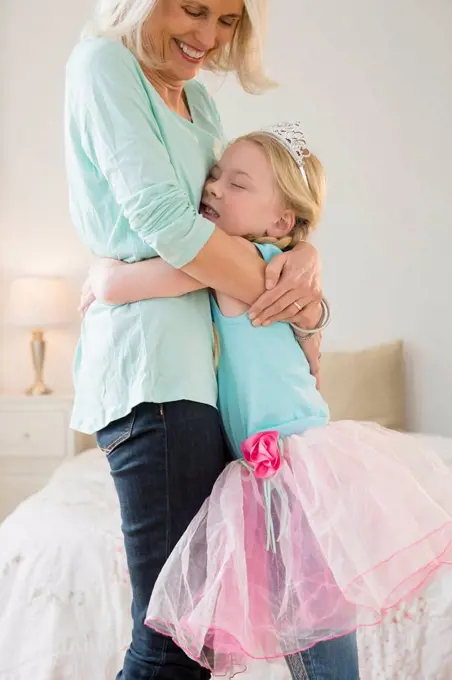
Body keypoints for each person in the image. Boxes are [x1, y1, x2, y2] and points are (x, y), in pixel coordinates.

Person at [83, 123, 452, 680]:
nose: (212, 188)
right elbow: (306, 330)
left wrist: (101, 271)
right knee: (313, 628)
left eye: (237, 184)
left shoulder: (237, 264)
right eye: (214, 175)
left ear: (281, 221)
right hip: (278, 467)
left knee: (319, 632)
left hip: (294, 467)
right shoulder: (265, 266)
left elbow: (118, 289)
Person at [65, 1, 325, 679]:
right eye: (194, 9)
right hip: (151, 376)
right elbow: (170, 226)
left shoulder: (202, 105)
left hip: (198, 387)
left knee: (196, 641)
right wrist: (286, 281)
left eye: (229, 21)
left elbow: (228, 230)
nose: (208, 37)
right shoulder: (105, 65)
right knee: (173, 643)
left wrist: (303, 263)